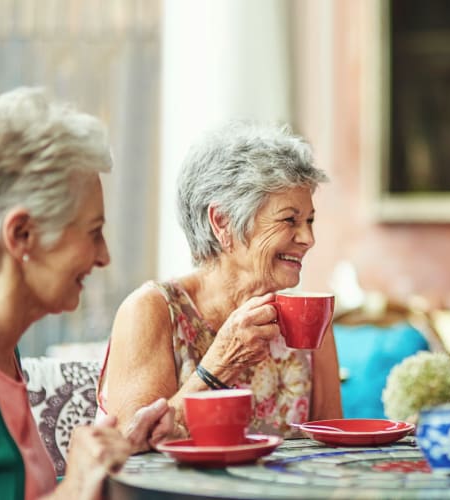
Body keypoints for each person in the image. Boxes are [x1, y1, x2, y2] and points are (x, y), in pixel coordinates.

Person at [99, 120, 342, 439]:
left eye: (309, 220)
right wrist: (221, 363)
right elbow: (130, 446)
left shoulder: (308, 317)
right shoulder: (152, 310)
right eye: (290, 220)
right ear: (222, 222)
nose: (308, 238)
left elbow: (333, 445)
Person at [0, 86, 173, 500]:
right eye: (93, 233)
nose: (105, 257)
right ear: (22, 234)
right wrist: (75, 486)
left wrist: (111, 457)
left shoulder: (8, 356)